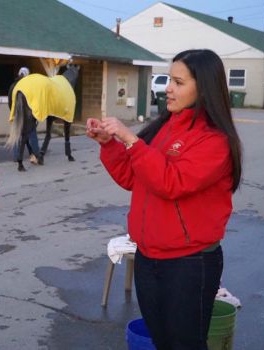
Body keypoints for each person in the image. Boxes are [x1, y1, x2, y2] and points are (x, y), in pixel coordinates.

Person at [86, 49, 242, 350]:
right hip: (148, 256)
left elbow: (171, 183)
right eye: (170, 80)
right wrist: (110, 146)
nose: (168, 88)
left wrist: (131, 140)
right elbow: (133, 178)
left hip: (188, 264)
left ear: (204, 87)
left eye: (179, 82)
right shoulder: (165, 128)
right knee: (162, 341)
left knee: (185, 344)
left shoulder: (214, 141)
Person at [8, 67, 40, 164]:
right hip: (29, 117)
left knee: (16, 135)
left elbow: (10, 101)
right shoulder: (29, 87)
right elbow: (34, 102)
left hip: (16, 116)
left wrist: (13, 113)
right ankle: (36, 155)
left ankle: (16, 156)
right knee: (32, 135)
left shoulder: (12, 86)